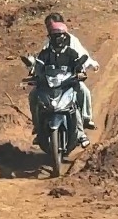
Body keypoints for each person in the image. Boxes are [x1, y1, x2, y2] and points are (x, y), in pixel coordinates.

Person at [30, 20, 93, 148]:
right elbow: (38, 67)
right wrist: (35, 74)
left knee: (78, 97)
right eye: (54, 36)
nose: (57, 39)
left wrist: (80, 72)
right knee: (33, 95)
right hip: (50, 86)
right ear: (50, 37)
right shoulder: (45, 53)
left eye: (60, 36)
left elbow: (78, 65)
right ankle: (38, 127)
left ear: (65, 37)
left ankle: (82, 130)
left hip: (68, 85)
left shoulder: (71, 53)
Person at [41, 13, 98, 130]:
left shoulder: (72, 41)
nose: (51, 30)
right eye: (48, 27)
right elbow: (39, 60)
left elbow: (83, 55)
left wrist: (90, 64)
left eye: (52, 25)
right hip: (52, 80)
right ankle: (39, 125)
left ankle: (86, 118)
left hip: (68, 78)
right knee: (35, 95)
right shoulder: (48, 44)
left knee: (83, 91)